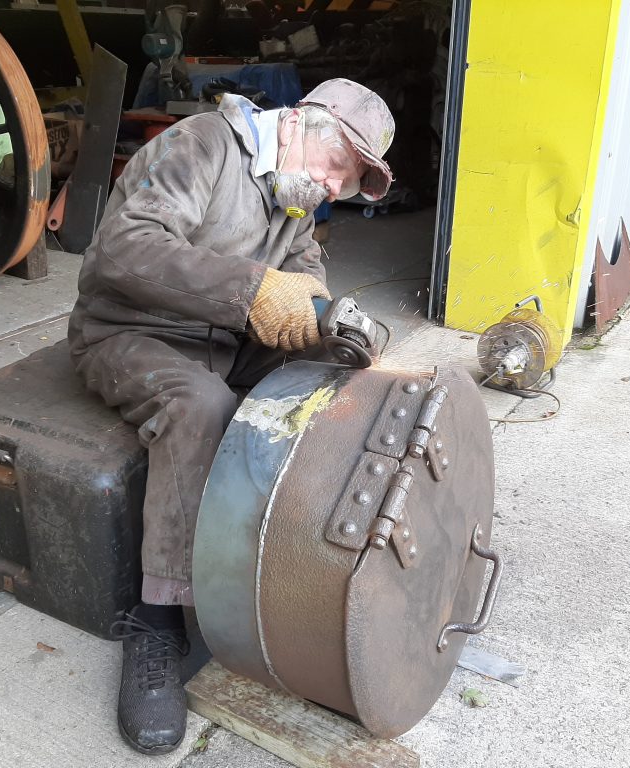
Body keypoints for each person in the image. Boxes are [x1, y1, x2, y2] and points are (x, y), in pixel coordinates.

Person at [67, 78, 395, 755]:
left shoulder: (295, 199)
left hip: (219, 339)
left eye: (354, 178)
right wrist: (252, 293)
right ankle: (157, 624)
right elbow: (122, 250)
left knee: (323, 383)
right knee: (201, 406)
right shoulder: (202, 145)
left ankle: (293, 564)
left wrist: (333, 324)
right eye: (342, 166)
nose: (338, 185)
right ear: (305, 125)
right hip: (129, 332)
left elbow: (304, 279)